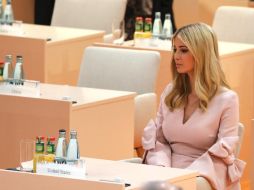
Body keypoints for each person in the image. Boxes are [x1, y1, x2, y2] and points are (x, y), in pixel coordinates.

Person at [142, 23, 246, 190]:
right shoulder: (171, 91)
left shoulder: (227, 99)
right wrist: (162, 171)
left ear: (201, 54)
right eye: (175, 49)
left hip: (206, 174)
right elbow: (159, 141)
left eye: (183, 50)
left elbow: (221, 155)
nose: (176, 56)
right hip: (167, 169)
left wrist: (185, 178)